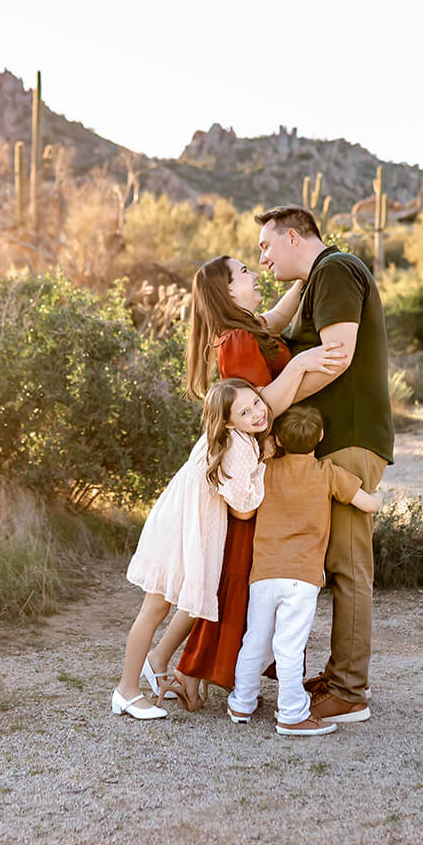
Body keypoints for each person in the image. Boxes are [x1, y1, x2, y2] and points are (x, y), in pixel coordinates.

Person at [139, 255, 343, 710]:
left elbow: (277, 318)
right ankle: (190, 670)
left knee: (235, 575)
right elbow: (257, 410)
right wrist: (303, 364)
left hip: (261, 467)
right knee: (234, 576)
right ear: (229, 291)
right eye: (245, 271)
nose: (256, 274)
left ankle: (188, 668)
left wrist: (310, 273)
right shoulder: (234, 340)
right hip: (247, 472)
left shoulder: (248, 328)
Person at [256, 205, 395, 725]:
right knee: (338, 563)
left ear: (294, 237)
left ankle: (350, 692)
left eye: (267, 246)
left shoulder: (335, 270)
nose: (263, 258)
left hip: (350, 440)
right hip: (334, 442)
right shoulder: (320, 276)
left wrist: (271, 402)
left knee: (349, 566)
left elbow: (336, 354)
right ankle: (339, 675)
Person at [111, 378, 270, 720]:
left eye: (256, 402)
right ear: (228, 421)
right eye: (245, 411)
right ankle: (126, 690)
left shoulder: (225, 436)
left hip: (183, 524)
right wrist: (261, 471)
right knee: (155, 609)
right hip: (186, 530)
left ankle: (157, 661)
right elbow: (244, 509)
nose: (257, 413)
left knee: (195, 601)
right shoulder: (241, 447)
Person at [226, 405, 383, 736]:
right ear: (322, 437)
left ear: (279, 438)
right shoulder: (327, 472)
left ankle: (241, 703)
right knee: (289, 645)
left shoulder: (266, 470)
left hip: (264, 574)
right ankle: (293, 713)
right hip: (301, 578)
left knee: (254, 639)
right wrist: (379, 497)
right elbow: (368, 503)